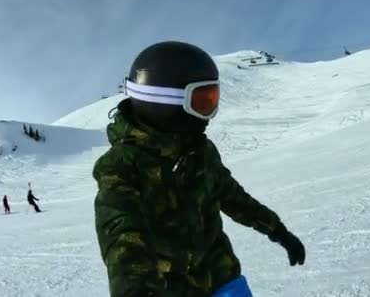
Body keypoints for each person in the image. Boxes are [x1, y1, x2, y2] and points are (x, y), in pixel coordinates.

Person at [93, 41, 305, 297]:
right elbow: (122, 232)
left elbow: (232, 197)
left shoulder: (200, 150)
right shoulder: (121, 165)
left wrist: (277, 230)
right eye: (202, 101)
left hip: (222, 276)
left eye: (212, 99)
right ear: (164, 102)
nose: (209, 114)